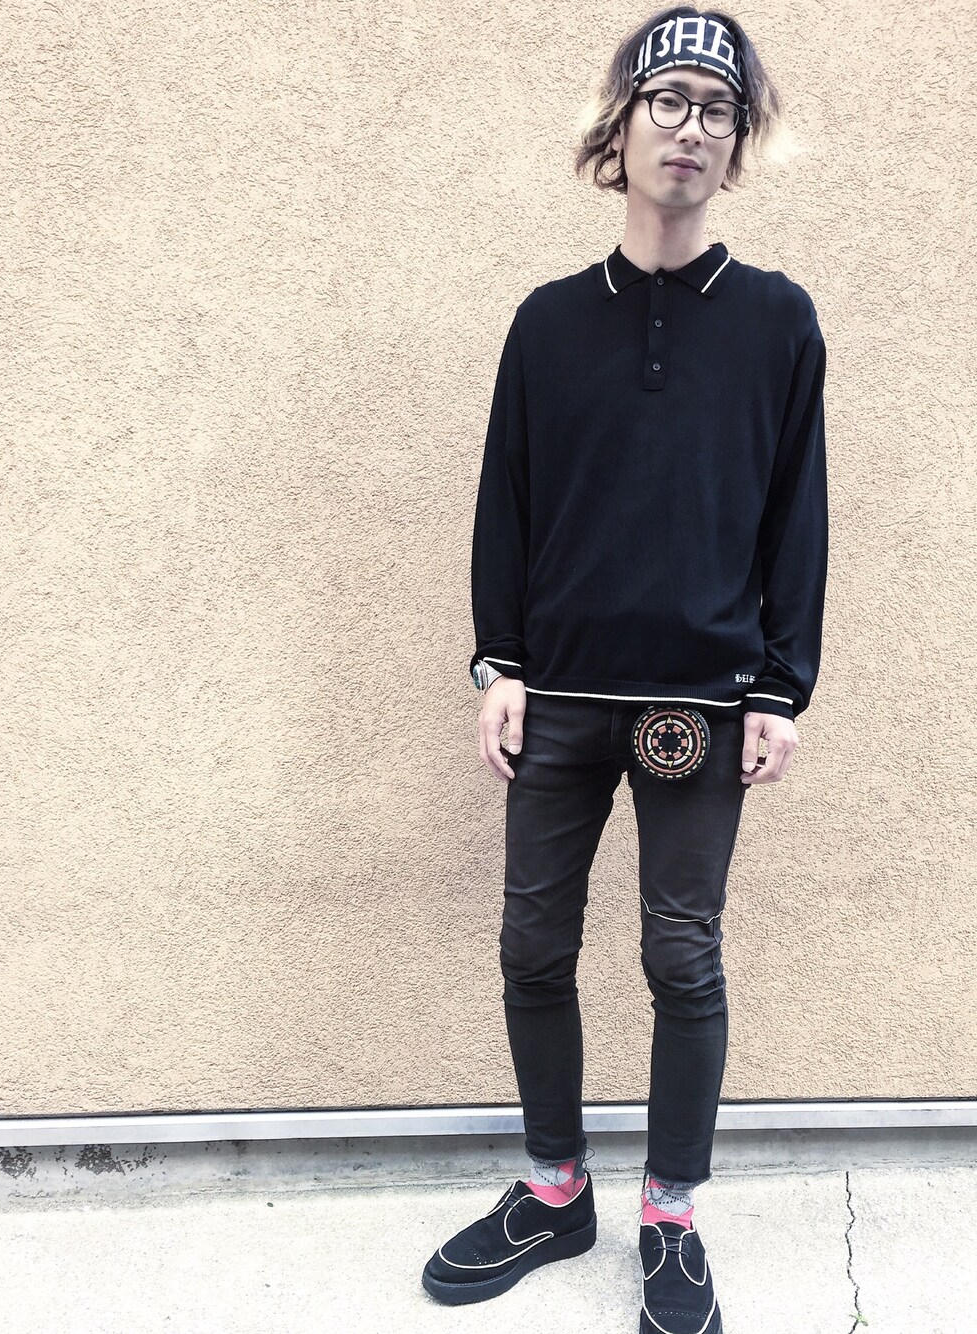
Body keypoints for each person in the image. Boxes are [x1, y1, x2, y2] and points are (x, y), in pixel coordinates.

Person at [422, 7, 828, 1332]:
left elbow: (797, 516)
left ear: (737, 139)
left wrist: (781, 685)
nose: (691, 127)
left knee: (682, 956)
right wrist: (497, 663)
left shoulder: (776, 322)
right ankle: (554, 1192)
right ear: (624, 123)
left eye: (718, 107)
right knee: (532, 944)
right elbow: (506, 502)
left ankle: (670, 1212)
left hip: (698, 704)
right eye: (671, 99)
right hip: (559, 694)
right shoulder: (548, 324)